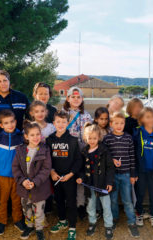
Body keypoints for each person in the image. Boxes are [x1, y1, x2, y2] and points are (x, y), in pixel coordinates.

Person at [13, 122, 52, 240]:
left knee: (39, 211)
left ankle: (39, 228)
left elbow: (46, 169)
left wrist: (35, 182)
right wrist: (23, 181)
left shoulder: (45, 150)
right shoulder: (20, 150)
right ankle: (29, 226)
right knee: (26, 209)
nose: (35, 137)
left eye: (38, 134)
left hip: (39, 188)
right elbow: (15, 168)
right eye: (32, 135)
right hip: (24, 188)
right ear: (26, 136)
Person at [103, 112, 139, 237]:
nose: (119, 126)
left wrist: (133, 174)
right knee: (113, 200)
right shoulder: (107, 139)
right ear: (111, 124)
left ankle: (132, 222)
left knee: (127, 200)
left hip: (126, 174)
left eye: (122, 123)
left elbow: (132, 157)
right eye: (116, 123)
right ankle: (114, 219)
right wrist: (112, 160)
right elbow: (104, 156)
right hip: (112, 176)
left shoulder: (128, 138)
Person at [47, 111, 82, 240]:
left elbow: (78, 160)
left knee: (71, 202)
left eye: (63, 122)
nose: (61, 124)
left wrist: (71, 174)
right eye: (58, 122)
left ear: (67, 123)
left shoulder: (73, 140)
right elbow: (47, 159)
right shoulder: (49, 139)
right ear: (53, 123)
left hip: (69, 177)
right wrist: (51, 171)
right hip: (55, 176)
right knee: (59, 200)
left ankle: (72, 227)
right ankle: (62, 220)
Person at [77, 123, 115, 240]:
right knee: (91, 206)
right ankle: (92, 223)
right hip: (89, 184)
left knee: (106, 206)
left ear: (99, 137)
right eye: (89, 138)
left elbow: (110, 167)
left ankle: (109, 225)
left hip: (102, 184)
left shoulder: (104, 150)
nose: (92, 140)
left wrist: (109, 182)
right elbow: (81, 169)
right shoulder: (84, 151)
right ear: (85, 138)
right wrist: (81, 178)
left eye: (94, 138)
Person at [62, 86, 92, 217]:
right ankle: (69, 204)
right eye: (72, 97)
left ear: (82, 99)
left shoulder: (86, 115)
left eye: (78, 97)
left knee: (80, 178)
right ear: (67, 98)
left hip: (82, 151)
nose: (75, 99)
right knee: (68, 178)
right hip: (68, 151)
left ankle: (80, 204)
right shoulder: (63, 113)